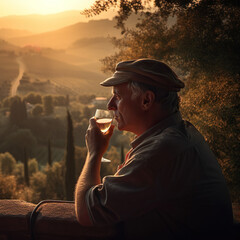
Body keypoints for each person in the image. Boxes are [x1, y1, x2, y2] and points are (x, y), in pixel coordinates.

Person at [75, 59, 234, 239]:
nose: (110, 105)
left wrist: (94, 152)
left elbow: (86, 212)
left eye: (118, 96)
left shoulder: (162, 151)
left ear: (146, 100)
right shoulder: (180, 134)